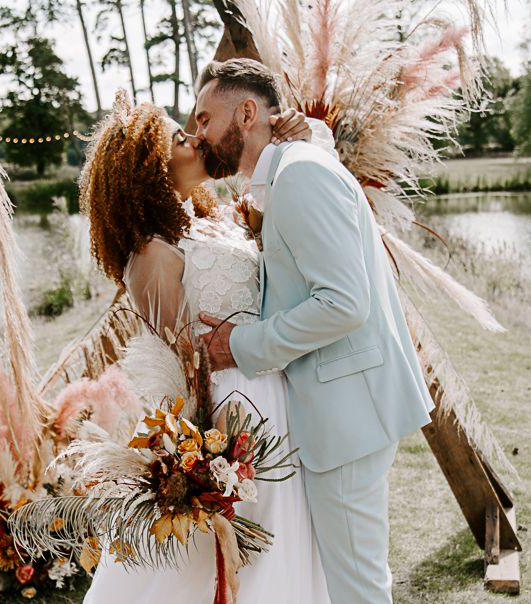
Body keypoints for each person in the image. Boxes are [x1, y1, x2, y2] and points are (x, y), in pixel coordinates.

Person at [194, 58, 435, 604]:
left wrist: (239, 345)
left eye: (206, 118)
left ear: (248, 113)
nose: (198, 133)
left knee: (358, 588)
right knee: (351, 579)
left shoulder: (300, 174)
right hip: (344, 409)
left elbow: (344, 303)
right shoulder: (293, 169)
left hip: (348, 412)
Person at [79, 91, 332, 603]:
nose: (195, 137)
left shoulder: (210, 218)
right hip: (229, 414)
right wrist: (203, 457)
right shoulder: (152, 252)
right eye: (178, 138)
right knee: (230, 555)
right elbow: (177, 365)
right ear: (149, 167)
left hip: (275, 391)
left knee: (287, 542)